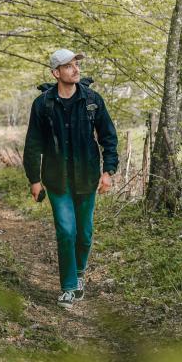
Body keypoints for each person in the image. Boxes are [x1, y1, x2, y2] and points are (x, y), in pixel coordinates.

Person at [22, 49, 119, 309]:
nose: (76, 70)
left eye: (77, 65)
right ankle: (68, 287)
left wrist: (108, 171)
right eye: (69, 66)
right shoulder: (43, 104)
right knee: (66, 231)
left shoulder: (92, 100)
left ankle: (79, 274)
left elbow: (108, 136)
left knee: (84, 233)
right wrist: (34, 179)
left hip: (87, 177)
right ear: (56, 73)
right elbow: (33, 144)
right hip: (57, 180)